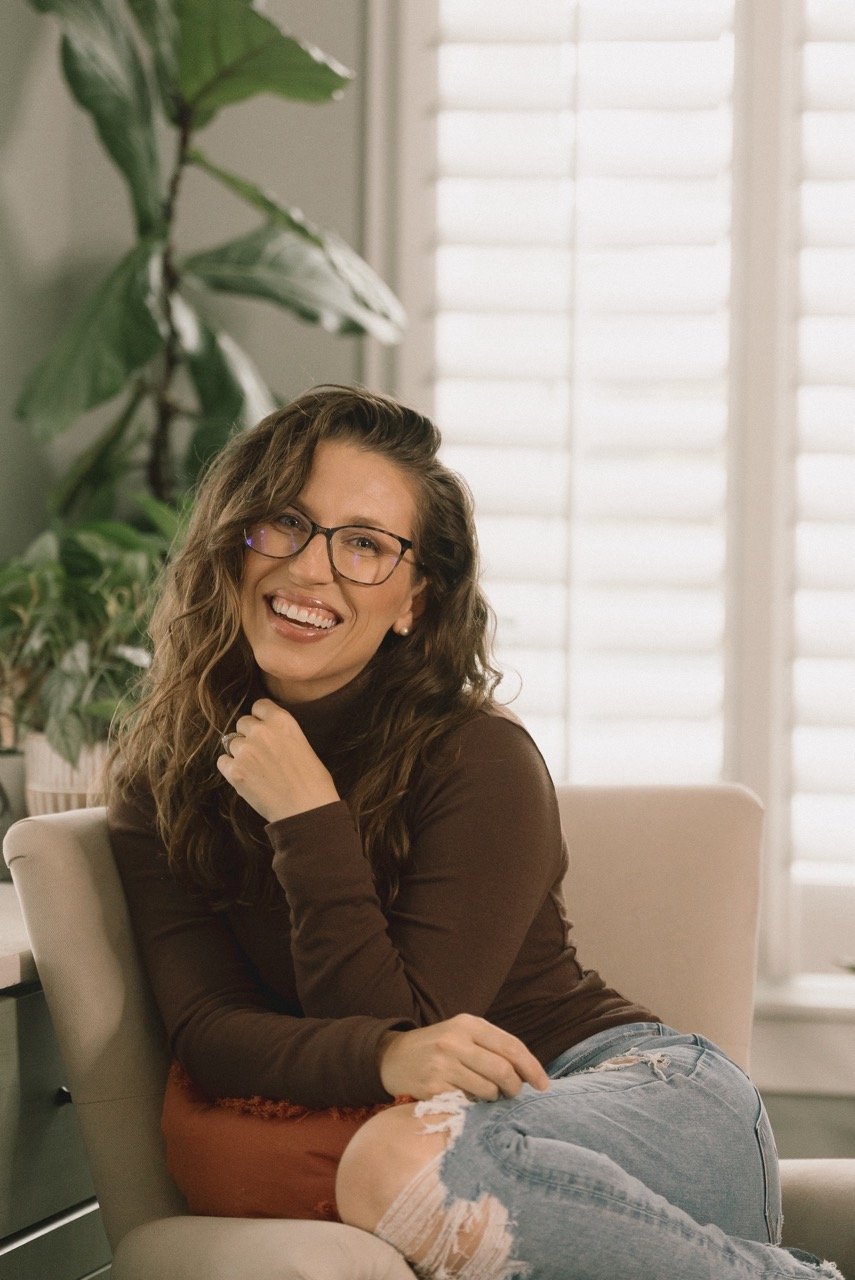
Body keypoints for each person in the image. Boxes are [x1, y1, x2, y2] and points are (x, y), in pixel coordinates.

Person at [107, 385, 842, 1280]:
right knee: (398, 1155)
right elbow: (211, 1031)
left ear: (413, 601)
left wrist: (308, 818)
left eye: (365, 545)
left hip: (647, 1102)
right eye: (286, 523)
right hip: (438, 1139)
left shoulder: (478, 753)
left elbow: (421, 1036)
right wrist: (383, 1057)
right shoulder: (163, 779)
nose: (310, 569)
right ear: (235, 542)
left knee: (395, 1160)